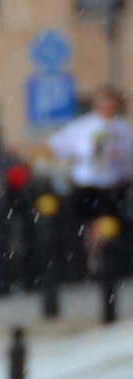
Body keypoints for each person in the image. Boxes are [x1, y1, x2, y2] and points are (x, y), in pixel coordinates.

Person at [43, 86, 133, 277]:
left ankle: (104, 258)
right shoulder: (84, 126)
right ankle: (93, 255)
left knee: (109, 222)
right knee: (89, 222)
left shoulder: (124, 129)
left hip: (114, 183)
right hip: (88, 183)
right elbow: (58, 146)